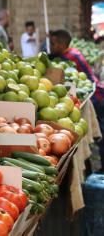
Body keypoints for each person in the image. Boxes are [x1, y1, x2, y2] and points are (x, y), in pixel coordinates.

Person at [49, 30, 104, 166]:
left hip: (96, 96)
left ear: (62, 44)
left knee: (102, 134)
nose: (50, 46)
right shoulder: (69, 53)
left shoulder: (70, 57)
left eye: (53, 43)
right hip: (95, 93)